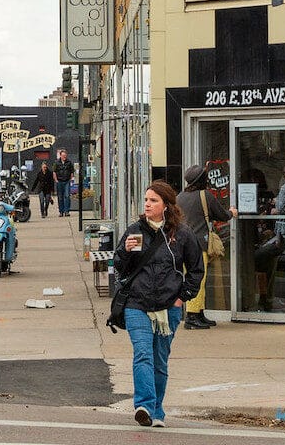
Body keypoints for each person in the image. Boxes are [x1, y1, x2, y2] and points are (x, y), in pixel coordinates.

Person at [114, 181, 203, 428]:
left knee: (159, 359)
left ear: (166, 205)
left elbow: (196, 270)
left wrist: (180, 298)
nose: (147, 204)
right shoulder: (135, 230)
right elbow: (119, 267)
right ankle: (143, 405)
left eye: (153, 200)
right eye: (146, 200)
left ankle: (156, 411)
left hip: (168, 308)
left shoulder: (183, 235)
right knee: (143, 353)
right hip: (137, 304)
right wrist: (125, 252)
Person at [176, 164, 232, 330]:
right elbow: (221, 214)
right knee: (198, 280)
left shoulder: (180, 197)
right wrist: (232, 213)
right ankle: (192, 316)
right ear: (203, 180)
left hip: (183, 245)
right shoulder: (205, 195)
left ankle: (199, 313)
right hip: (199, 244)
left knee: (194, 278)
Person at [54, 148, 76, 217]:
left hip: (66, 181)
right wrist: (56, 180)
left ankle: (67, 211)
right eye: (63, 156)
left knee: (67, 196)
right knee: (60, 197)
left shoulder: (69, 162)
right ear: (60, 156)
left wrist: (70, 179)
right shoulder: (56, 163)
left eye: (65, 156)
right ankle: (61, 211)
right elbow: (54, 172)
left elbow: (72, 172)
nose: (64, 157)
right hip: (59, 181)